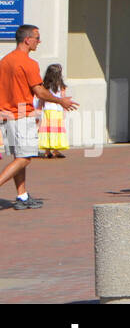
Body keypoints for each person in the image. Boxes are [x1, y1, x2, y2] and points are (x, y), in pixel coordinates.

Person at [0, 25, 78, 209]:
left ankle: (22, 195)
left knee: (19, 156)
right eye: (37, 38)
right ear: (27, 40)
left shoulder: (4, 61)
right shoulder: (29, 63)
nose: (39, 41)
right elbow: (40, 92)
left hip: (8, 114)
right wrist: (61, 101)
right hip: (22, 114)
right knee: (26, 157)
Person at [36, 64, 72, 158]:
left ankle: (48, 151)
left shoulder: (45, 86)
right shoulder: (61, 86)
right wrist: (65, 110)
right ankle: (55, 150)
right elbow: (63, 98)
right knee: (56, 130)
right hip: (57, 111)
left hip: (48, 110)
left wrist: (38, 109)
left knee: (48, 129)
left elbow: (41, 99)